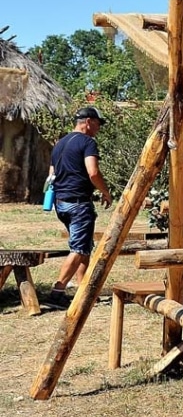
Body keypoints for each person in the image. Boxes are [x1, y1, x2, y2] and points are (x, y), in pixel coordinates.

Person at [47, 106, 113, 309]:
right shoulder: (87, 142)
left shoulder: (60, 144)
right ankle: (56, 293)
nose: (98, 128)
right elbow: (93, 172)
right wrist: (106, 192)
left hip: (61, 203)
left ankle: (84, 291)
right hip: (78, 203)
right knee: (78, 249)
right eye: (98, 124)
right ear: (88, 121)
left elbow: (51, 174)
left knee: (84, 247)